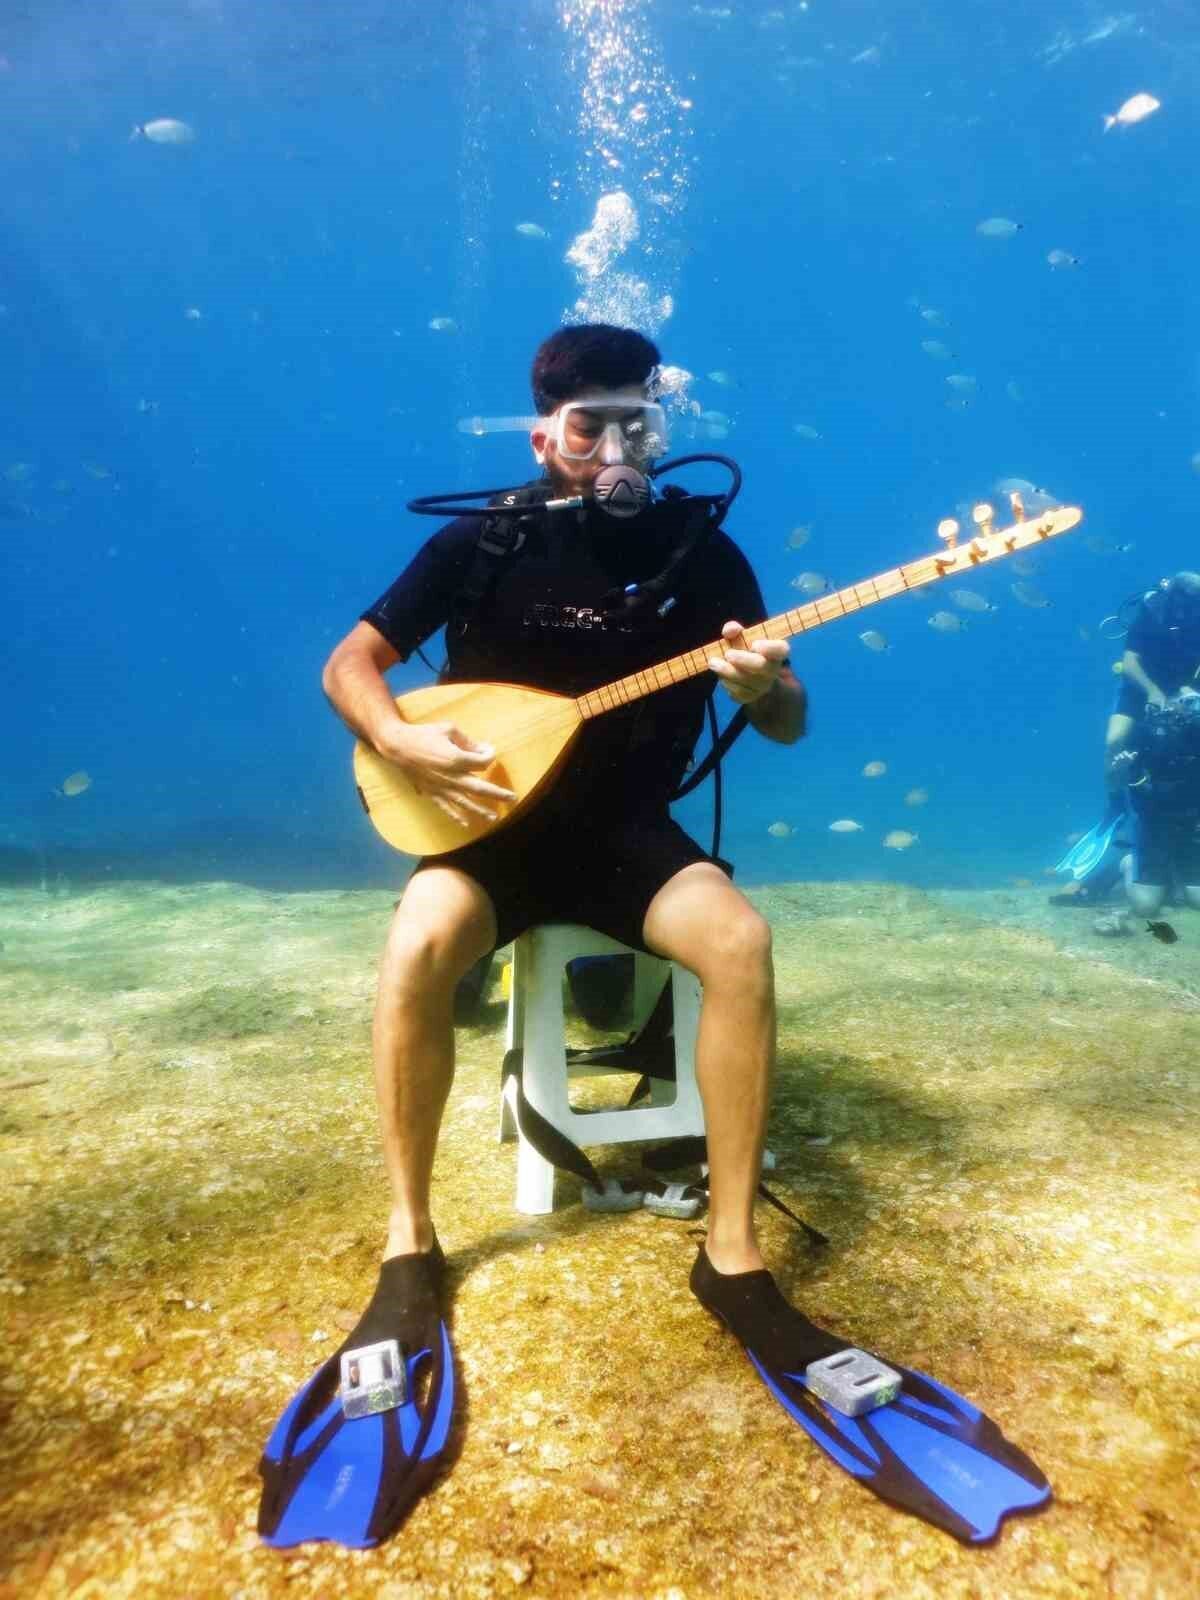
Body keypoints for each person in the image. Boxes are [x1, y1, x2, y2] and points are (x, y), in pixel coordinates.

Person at [256, 325, 1052, 1551]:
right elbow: (351, 663)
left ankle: (730, 1253)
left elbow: (785, 722)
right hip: (493, 837)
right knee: (415, 946)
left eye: (638, 422)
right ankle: (409, 1240)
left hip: (627, 834)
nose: (616, 446)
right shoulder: (486, 540)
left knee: (739, 941)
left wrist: (765, 687)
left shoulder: (704, 554)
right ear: (545, 436)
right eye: (591, 426)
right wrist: (400, 735)